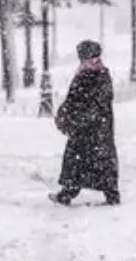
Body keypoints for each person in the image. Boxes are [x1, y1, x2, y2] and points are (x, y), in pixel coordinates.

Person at [51, 40, 120, 206]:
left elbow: (98, 101)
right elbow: (74, 98)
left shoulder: (99, 75)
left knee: (87, 160)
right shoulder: (86, 73)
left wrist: (81, 117)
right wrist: (66, 113)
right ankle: (69, 192)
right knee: (83, 160)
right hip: (89, 127)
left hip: (94, 128)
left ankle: (109, 193)